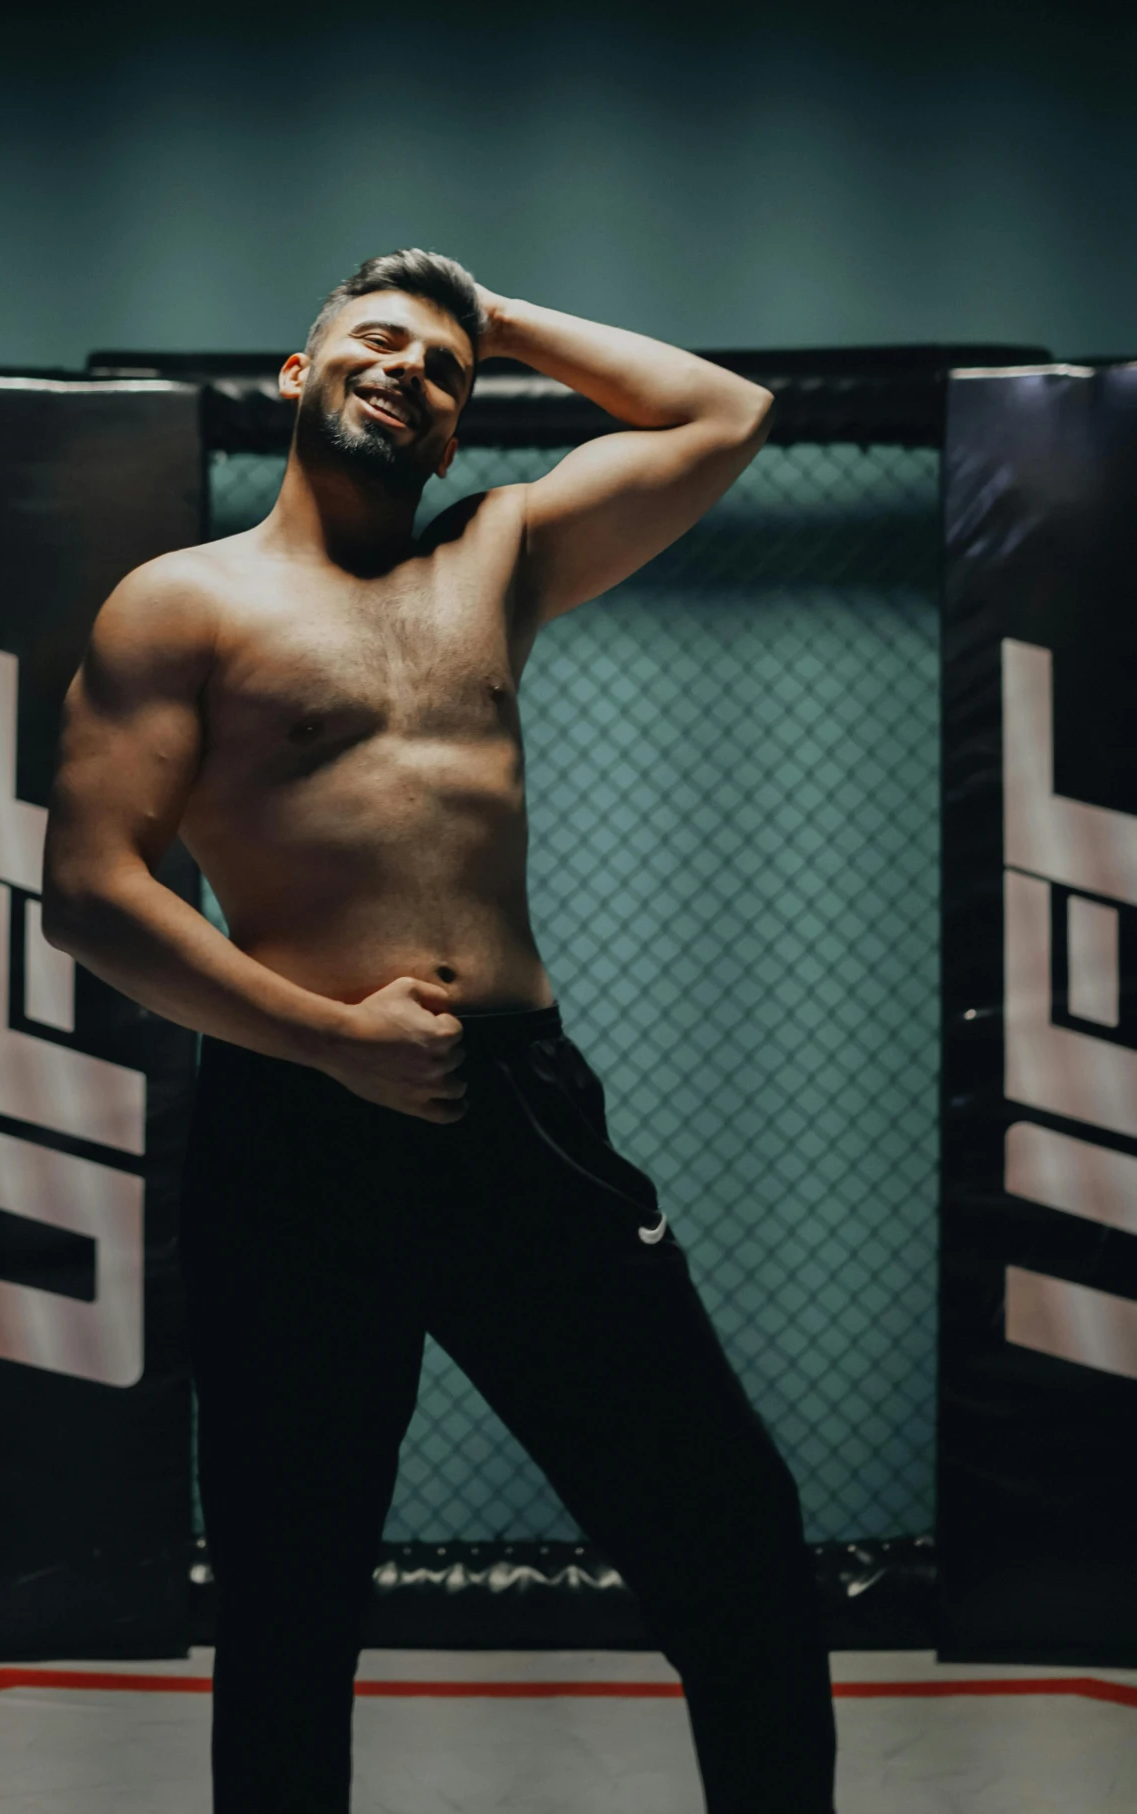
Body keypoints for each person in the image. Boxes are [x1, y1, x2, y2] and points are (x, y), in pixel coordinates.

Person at [42, 251, 837, 1814]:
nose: (409, 367)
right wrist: (324, 1036)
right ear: (298, 370)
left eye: (444, 370)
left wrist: (497, 313)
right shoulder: (182, 599)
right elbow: (89, 890)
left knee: (728, 1530)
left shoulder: (499, 552)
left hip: (515, 1117)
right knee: (290, 1591)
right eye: (376, 339)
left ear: (460, 427)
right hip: (297, 1133)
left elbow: (722, 412)